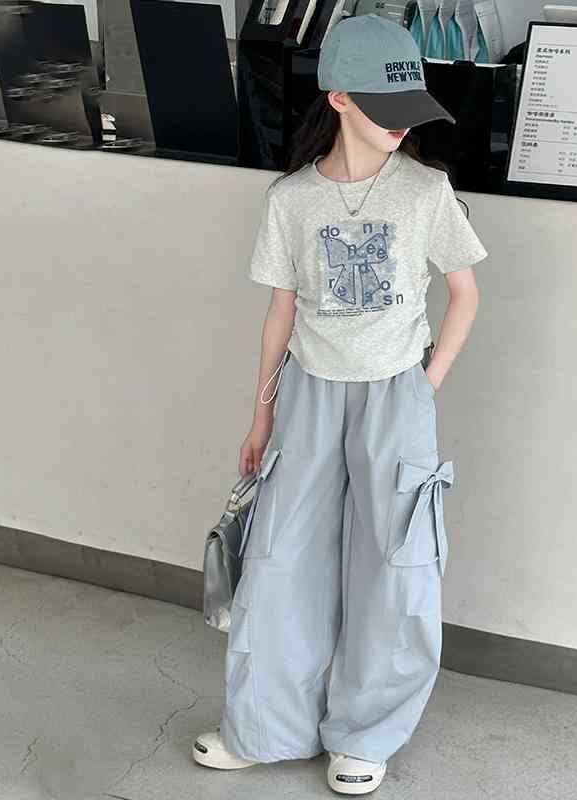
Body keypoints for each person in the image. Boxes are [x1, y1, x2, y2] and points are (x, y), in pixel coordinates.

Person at [192, 12, 488, 795]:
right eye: (385, 107)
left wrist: (424, 384)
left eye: (410, 109)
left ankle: (365, 736)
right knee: (281, 560)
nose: (402, 125)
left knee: (395, 566)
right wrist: (261, 414)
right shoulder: (292, 200)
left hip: (396, 396)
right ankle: (265, 727)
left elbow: (464, 294)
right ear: (340, 98)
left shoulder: (426, 191)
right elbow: (281, 311)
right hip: (310, 395)